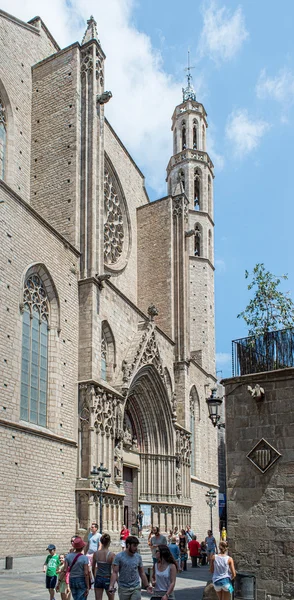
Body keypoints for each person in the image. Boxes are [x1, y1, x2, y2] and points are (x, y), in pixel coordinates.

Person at [109, 535, 152, 600]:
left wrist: (147, 586)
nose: (136, 548)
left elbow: (142, 573)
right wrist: (111, 586)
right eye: (134, 546)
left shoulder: (138, 557)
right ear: (128, 545)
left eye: (136, 546)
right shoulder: (119, 557)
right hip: (123, 588)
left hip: (135, 587)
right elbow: (115, 572)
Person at [92, 533, 115, 600]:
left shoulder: (96, 554)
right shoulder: (112, 555)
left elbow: (93, 567)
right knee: (111, 598)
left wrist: (95, 577)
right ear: (109, 542)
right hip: (108, 578)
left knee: (98, 598)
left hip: (98, 578)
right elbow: (114, 571)